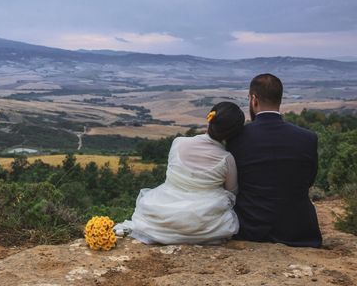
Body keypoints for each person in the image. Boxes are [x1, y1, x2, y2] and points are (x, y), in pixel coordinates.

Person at [115, 101, 244, 245]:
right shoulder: (227, 159)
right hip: (203, 222)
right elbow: (232, 192)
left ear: (210, 119)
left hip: (162, 211)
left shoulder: (178, 143)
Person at [227, 73, 322, 247]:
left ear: (253, 99)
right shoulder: (308, 138)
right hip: (298, 232)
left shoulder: (236, 139)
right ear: (279, 99)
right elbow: (308, 181)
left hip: (249, 230)